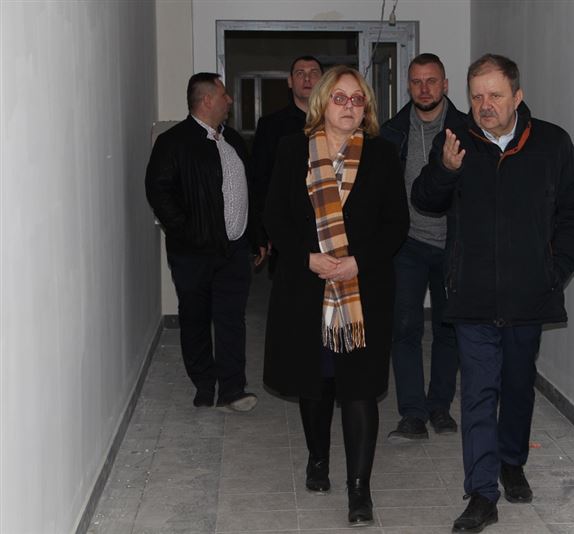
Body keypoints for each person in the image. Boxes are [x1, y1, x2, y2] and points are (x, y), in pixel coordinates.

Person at [412, 54, 574, 532]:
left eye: (495, 95)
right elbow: (424, 199)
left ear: (517, 96)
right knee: (477, 393)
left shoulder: (552, 144)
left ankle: (512, 462)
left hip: (527, 296)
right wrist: (445, 170)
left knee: (517, 386)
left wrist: (553, 271)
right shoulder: (455, 140)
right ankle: (481, 494)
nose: (484, 105)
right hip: (472, 296)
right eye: (476, 96)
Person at [263, 66, 409, 527]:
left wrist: (357, 262)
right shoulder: (293, 150)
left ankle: (359, 490)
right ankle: (318, 458)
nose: (349, 106)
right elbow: (275, 215)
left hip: (363, 290)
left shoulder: (383, 154)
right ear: (323, 102)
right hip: (306, 288)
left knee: (360, 388)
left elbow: (396, 224)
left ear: (367, 108)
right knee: (317, 382)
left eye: (358, 99)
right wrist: (307, 257)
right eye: (340, 98)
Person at [145, 73, 267, 412]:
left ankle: (232, 389)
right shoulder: (173, 142)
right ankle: (204, 384)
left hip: (235, 249)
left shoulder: (234, 140)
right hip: (193, 252)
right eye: (224, 95)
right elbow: (158, 190)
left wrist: (257, 235)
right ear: (207, 99)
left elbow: (249, 192)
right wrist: (186, 232)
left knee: (231, 319)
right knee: (195, 318)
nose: (230, 101)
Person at [380, 53, 466, 442]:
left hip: (453, 245)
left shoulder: (467, 131)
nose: (424, 88)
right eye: (417, 81)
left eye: (432, 81)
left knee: (449, 329)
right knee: (405, 328)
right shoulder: (392, 132)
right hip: (408, 245)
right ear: (408, 86)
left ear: (445, 85)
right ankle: (412, 414)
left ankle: (439, 407)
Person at [251, 56, 323, 228]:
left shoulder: (336, 122)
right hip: (286, 221)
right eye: (300, 73)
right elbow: (260, 179)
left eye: (313, 73)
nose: (307, 79)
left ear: (324, 81)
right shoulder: (270, 125)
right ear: (290, 82)